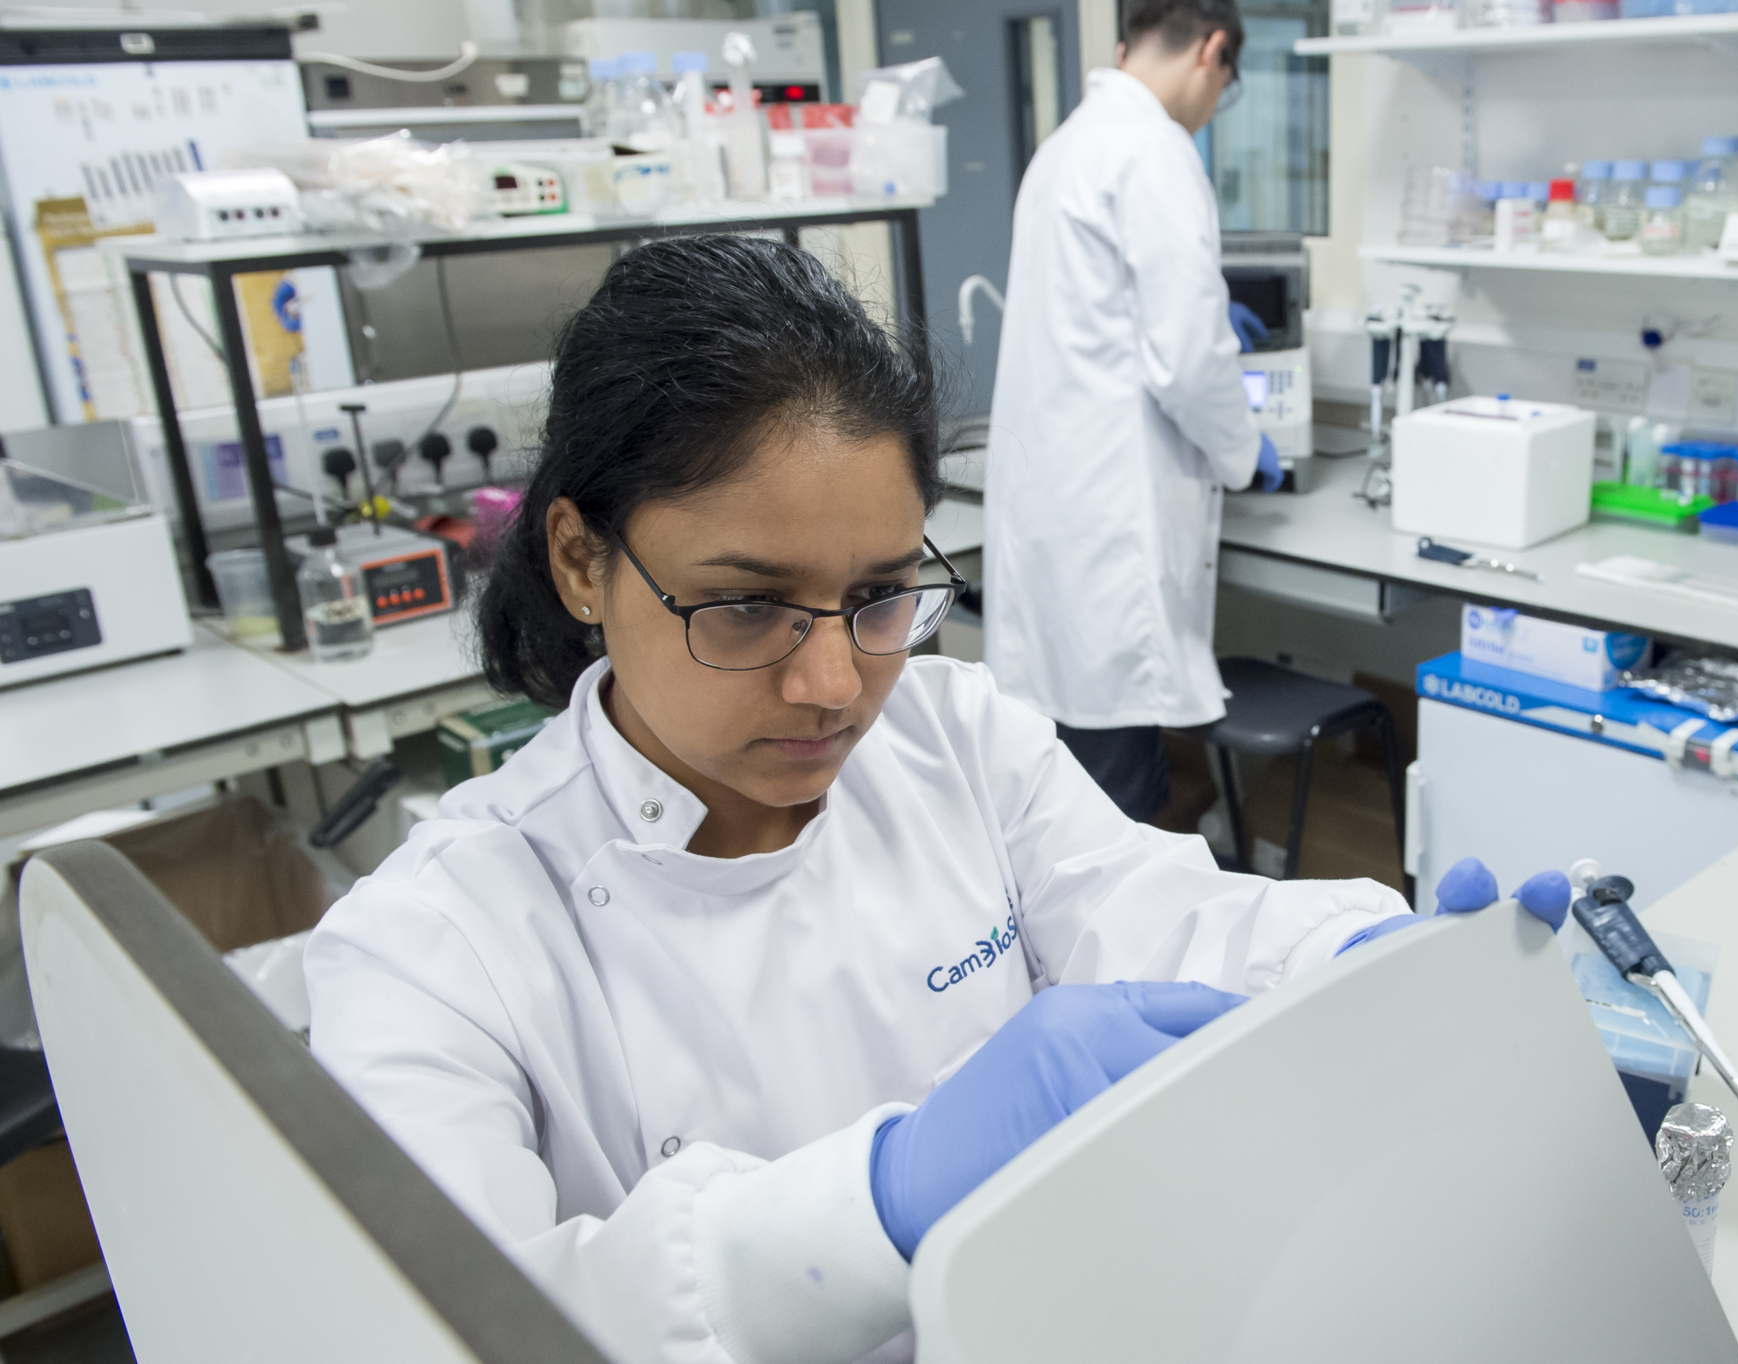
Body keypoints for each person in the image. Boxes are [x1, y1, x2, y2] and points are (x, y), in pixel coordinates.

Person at [303, 235, 1425, 1364]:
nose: (834, 685)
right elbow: (448, 1329)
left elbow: (1155, 911)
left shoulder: (956, 736)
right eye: (745, 604)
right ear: (581, 561)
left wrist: (1376, 954)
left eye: (881, 595)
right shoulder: (433, 945)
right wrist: (876, 1197)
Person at [982, 0, 1279, 823]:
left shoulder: (1067, 145)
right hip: (1108, 532)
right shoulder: (1155, 149)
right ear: (1213, 52)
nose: (1215, 103)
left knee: (1066, 799)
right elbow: (1188, 360)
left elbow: (1110, 323)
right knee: (1117, 813)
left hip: (1060, 520)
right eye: (1226, 83)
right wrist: (1245, 450)